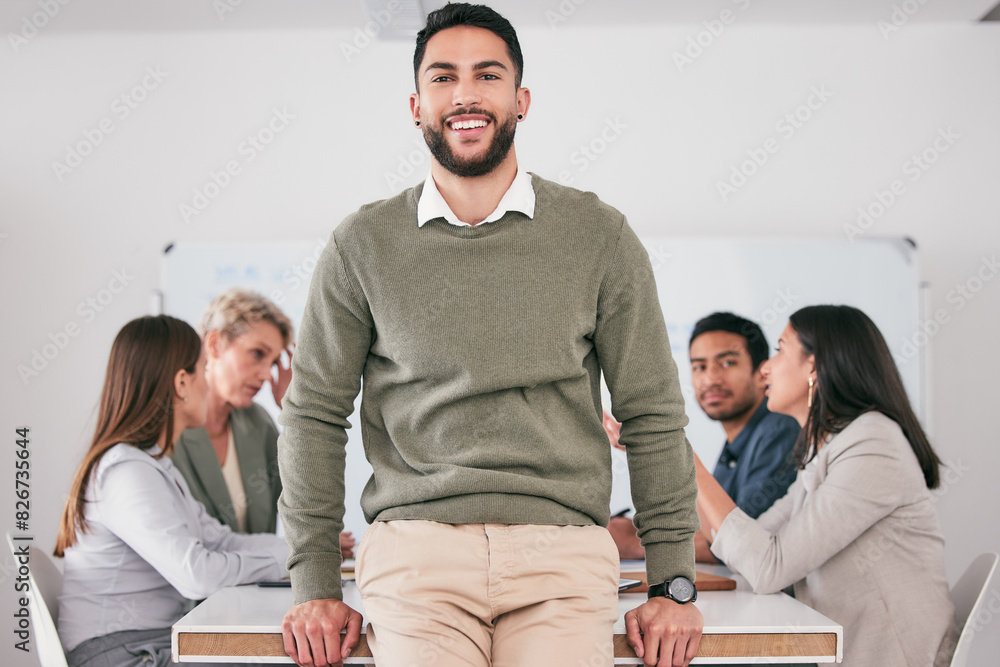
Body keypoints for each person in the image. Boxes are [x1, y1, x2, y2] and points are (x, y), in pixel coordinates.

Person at [277, 4, 703, 667]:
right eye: (443, 78)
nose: (466, 94)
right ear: (415, 105)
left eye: (488, 75)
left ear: (520, 99)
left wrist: (672, 583)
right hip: (416, 553)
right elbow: (313, 416)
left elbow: (651, 415)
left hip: (561, 553)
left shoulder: (599, 236)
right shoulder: (360, 245)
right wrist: (314, 583)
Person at [695, 305, 958, 667]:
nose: (765, 368)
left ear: (814, 367)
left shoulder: (872, 443)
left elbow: (768, 567)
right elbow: (747, 547)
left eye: (780, 349)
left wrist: (681, 457)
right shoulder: (827, 449)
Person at [54, 315, 290, 667]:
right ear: (182, 383)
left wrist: (306, 551)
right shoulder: (127, 472)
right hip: (121, 655)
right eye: (202, 370)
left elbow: (220, 540)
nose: (208, 386)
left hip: (150, 643)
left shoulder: (155, 465)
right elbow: (197, 575)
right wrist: (289, 561)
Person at [170, 288, 355, 556]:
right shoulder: (169, 431)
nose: (267, 375)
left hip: (254, 591)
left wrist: (294, 410)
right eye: (257, 354)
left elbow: (305, 502)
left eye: (272, 363)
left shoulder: (257, 423)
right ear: (214, 345)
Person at [608, 312, 799, 563]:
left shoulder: (780, 430)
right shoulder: (738, 440)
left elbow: (739, 541)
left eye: (728, 363)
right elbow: (710, 526)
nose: (710, 378)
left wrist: (635, 543)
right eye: (699, 366)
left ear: (761, 371)